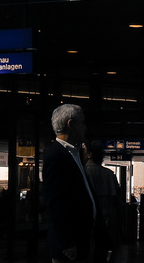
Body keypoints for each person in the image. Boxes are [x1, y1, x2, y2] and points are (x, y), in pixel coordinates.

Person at [42, 104, 97, 263]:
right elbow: (55, 202)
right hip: (69, 247)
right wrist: (66, 242)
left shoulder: (74, 153)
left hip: (80, 241)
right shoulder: (56, 156)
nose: (85, 128)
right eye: (82, 123)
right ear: (71, 124)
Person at [85, 144, 131, 263]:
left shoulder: (84, 173)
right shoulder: (109, 174)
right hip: (108, 221)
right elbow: (118, 203)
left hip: (88, 222)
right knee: (104, 252)